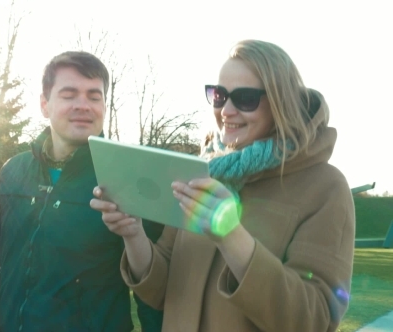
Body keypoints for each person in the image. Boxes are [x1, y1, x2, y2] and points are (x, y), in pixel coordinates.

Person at [90, 40, 355, 332]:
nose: (226, 111)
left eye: (245, 98)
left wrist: (231, 236)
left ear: (281, 102)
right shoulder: (202, 171)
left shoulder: (325, 187)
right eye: (219, 95)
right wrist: (133, 233)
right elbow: (162, 291)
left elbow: (315, 319)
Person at [0, 51, 163, 332]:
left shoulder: (128, 178)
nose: (83, 105)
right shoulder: (14, 172)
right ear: (44, 104)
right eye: (69, 94)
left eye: (94, 96)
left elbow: (152, 291)